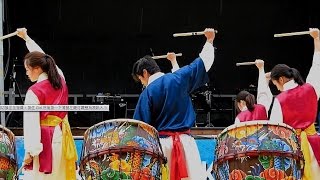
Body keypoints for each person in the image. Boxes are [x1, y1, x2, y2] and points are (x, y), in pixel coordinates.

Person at [132, 28, 215, 180]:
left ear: (144, 73)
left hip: (161, 149)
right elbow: (203, 63)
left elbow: (140, 130)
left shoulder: (147, 93)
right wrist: (209, 40)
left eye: (141, 79)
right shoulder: (179, 79)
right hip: (187, 145)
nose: (143, 83)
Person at [17, 28, 77, 180]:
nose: (26, 73)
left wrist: (30, 152)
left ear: (37, 69)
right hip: (62, 138)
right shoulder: (61, 79)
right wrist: (26, 38)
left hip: (43, 143)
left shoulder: (34, 91)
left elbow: (31, 125)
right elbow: (44, 57)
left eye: (27, 69)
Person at [260, 28, 320, 180]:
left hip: (293, 149)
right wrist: (316, 39)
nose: (277, 88)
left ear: (281, 80)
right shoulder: (311, 88)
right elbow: (317, 66)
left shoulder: (281, 100)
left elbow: (273, 131)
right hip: (315, 145)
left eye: (276, 85)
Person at [234, 60, 272, 124]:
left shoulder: (239, 118)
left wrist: (264, 77)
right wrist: (261, 69)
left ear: (241, 103)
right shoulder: (262, 108)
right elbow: (263, 94)